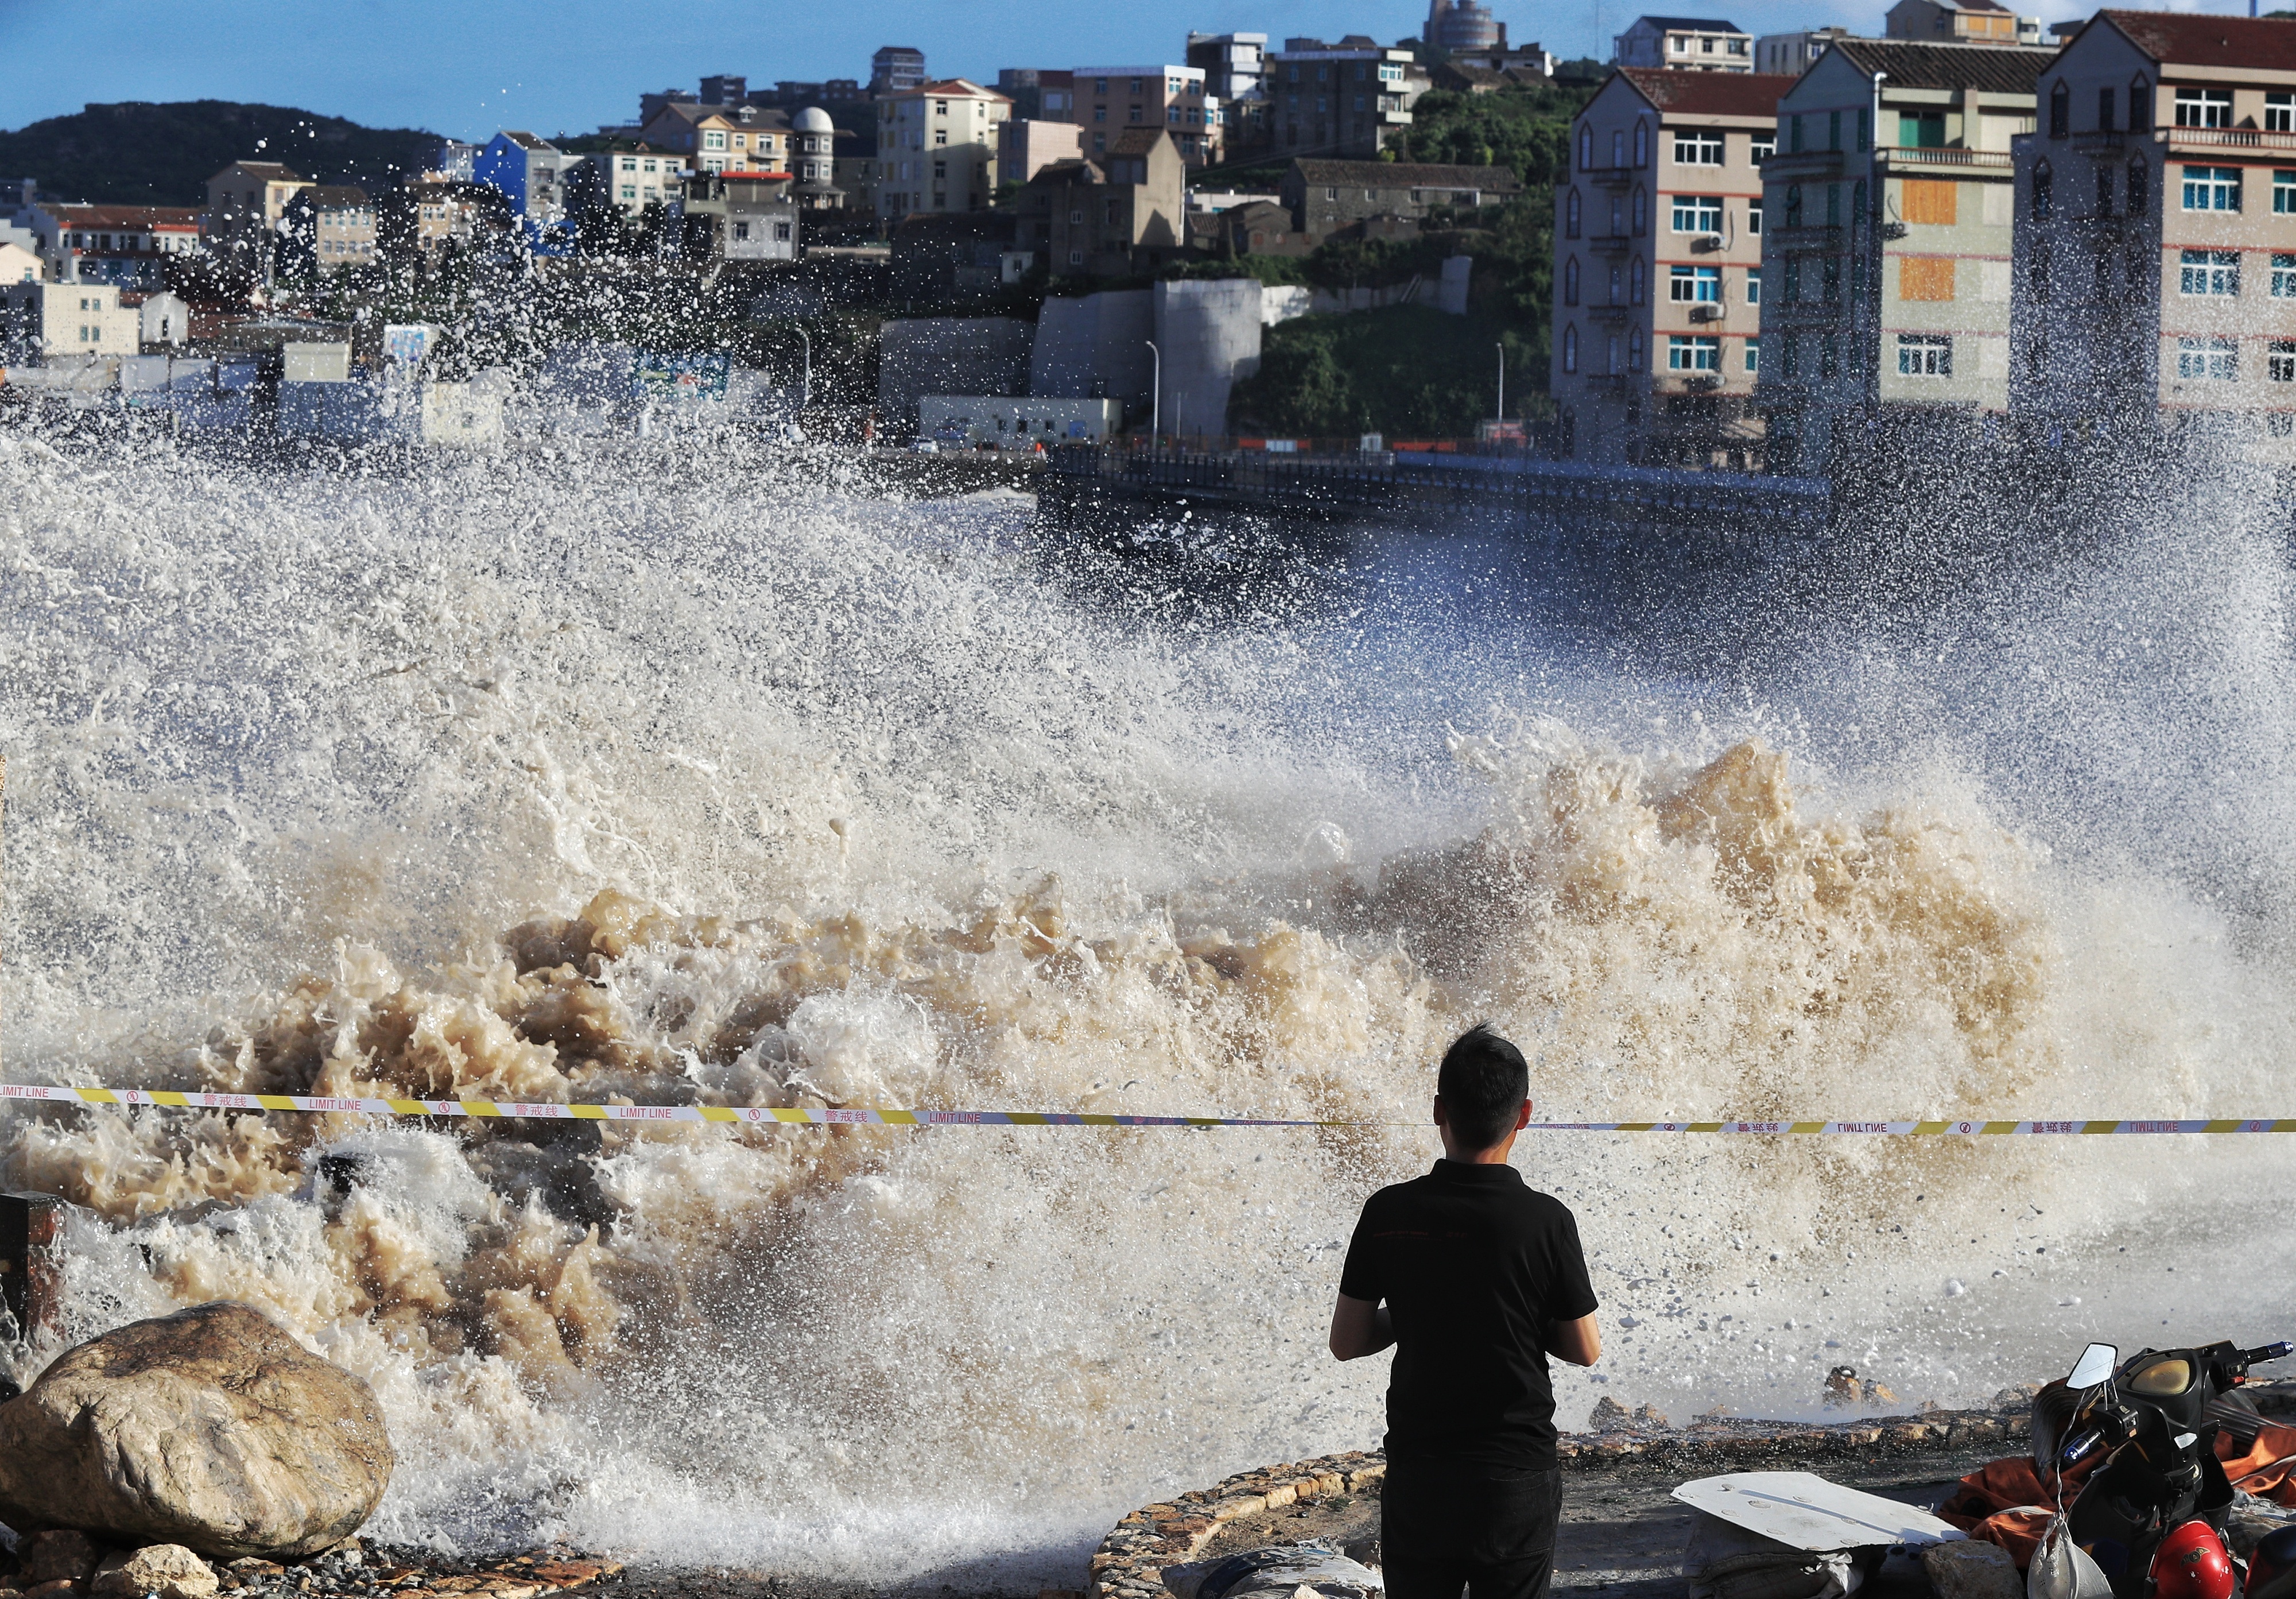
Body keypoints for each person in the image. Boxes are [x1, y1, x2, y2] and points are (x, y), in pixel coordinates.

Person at [1329, 1023, 1601, 1599]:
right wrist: (1514, 1312)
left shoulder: (1387, 1211)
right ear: (1523, 1114)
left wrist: (1423, 1307)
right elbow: (1584, 1347)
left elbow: (1348, 1340)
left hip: (1422, 1476)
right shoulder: (1546, 1221)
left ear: (1437, 1110)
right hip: (1515, 1478)